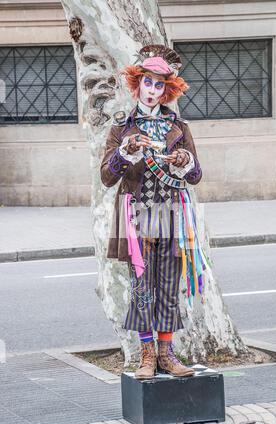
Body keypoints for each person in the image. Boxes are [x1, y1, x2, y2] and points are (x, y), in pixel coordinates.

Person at [101, 44, 205, 380]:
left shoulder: (179, 127)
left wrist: (184, 161)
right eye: (147, 83)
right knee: (142, 288)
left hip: (172, 217)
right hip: (137, 219)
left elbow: (196, 175)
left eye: (159, 85)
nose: (152, 90)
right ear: (138, 84)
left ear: (167, 90)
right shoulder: (122, 127)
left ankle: (167, 354)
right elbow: (106, 176)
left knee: (169, 286)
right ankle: (147, 356)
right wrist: (124, 152)